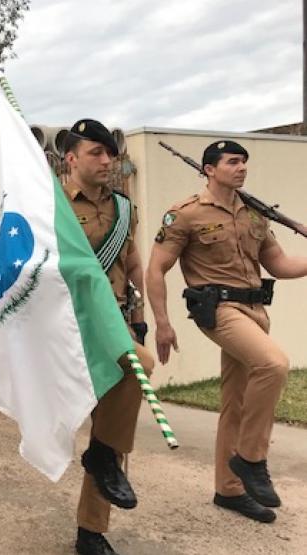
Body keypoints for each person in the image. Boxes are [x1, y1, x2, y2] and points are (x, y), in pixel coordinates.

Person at [147, 140, 307, 524]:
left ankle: (229, 489)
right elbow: (155, 269)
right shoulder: (185, 214)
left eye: (244, 162)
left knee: (235, 401)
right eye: (232, 162)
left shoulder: (254, 214)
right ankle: (251, 459)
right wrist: (163, 323)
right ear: (209, 169)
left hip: (255, 310)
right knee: (274, 364)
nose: (241, 168)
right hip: (218, 310)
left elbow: (280, 264)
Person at [62, 119, 155, 555]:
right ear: (71, 158)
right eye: (95, 152)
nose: (106, 160)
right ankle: (102, 457)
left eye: (109, 153)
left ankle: (91, 532)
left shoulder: (123, 209)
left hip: (113, 324)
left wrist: (140, 317)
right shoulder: (50, 206)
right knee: (138, 370)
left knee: (109, 429)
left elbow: (132, 265)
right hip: (67, 327)